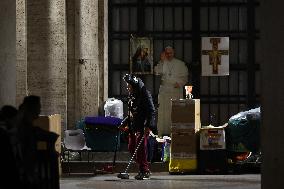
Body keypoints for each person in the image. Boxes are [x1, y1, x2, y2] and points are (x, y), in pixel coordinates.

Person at [121, 74, 156, 180]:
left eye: (128, 85)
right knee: (131, 148)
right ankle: (142, 167)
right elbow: (131, 113)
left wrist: (148, 126)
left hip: (142, 126)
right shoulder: (132, 95)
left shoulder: (144, 93)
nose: (127, 87)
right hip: (133, 126)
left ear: (134, 85)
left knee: (140, 149)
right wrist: (124, 122)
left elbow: (151, 111)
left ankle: (144, 171)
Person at [154, 46, 188, 136]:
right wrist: (162, 61)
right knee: (163, 113)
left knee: (175, 112)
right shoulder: (162, 63)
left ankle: (176, 133)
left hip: (175, 91)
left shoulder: (180, 64)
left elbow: (185, 78)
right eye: (167, 53)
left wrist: (179, 83)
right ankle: (163, 133)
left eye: (170, 53)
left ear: (174, 53)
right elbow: (157, 71)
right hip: (164, 92)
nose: (169, 55)